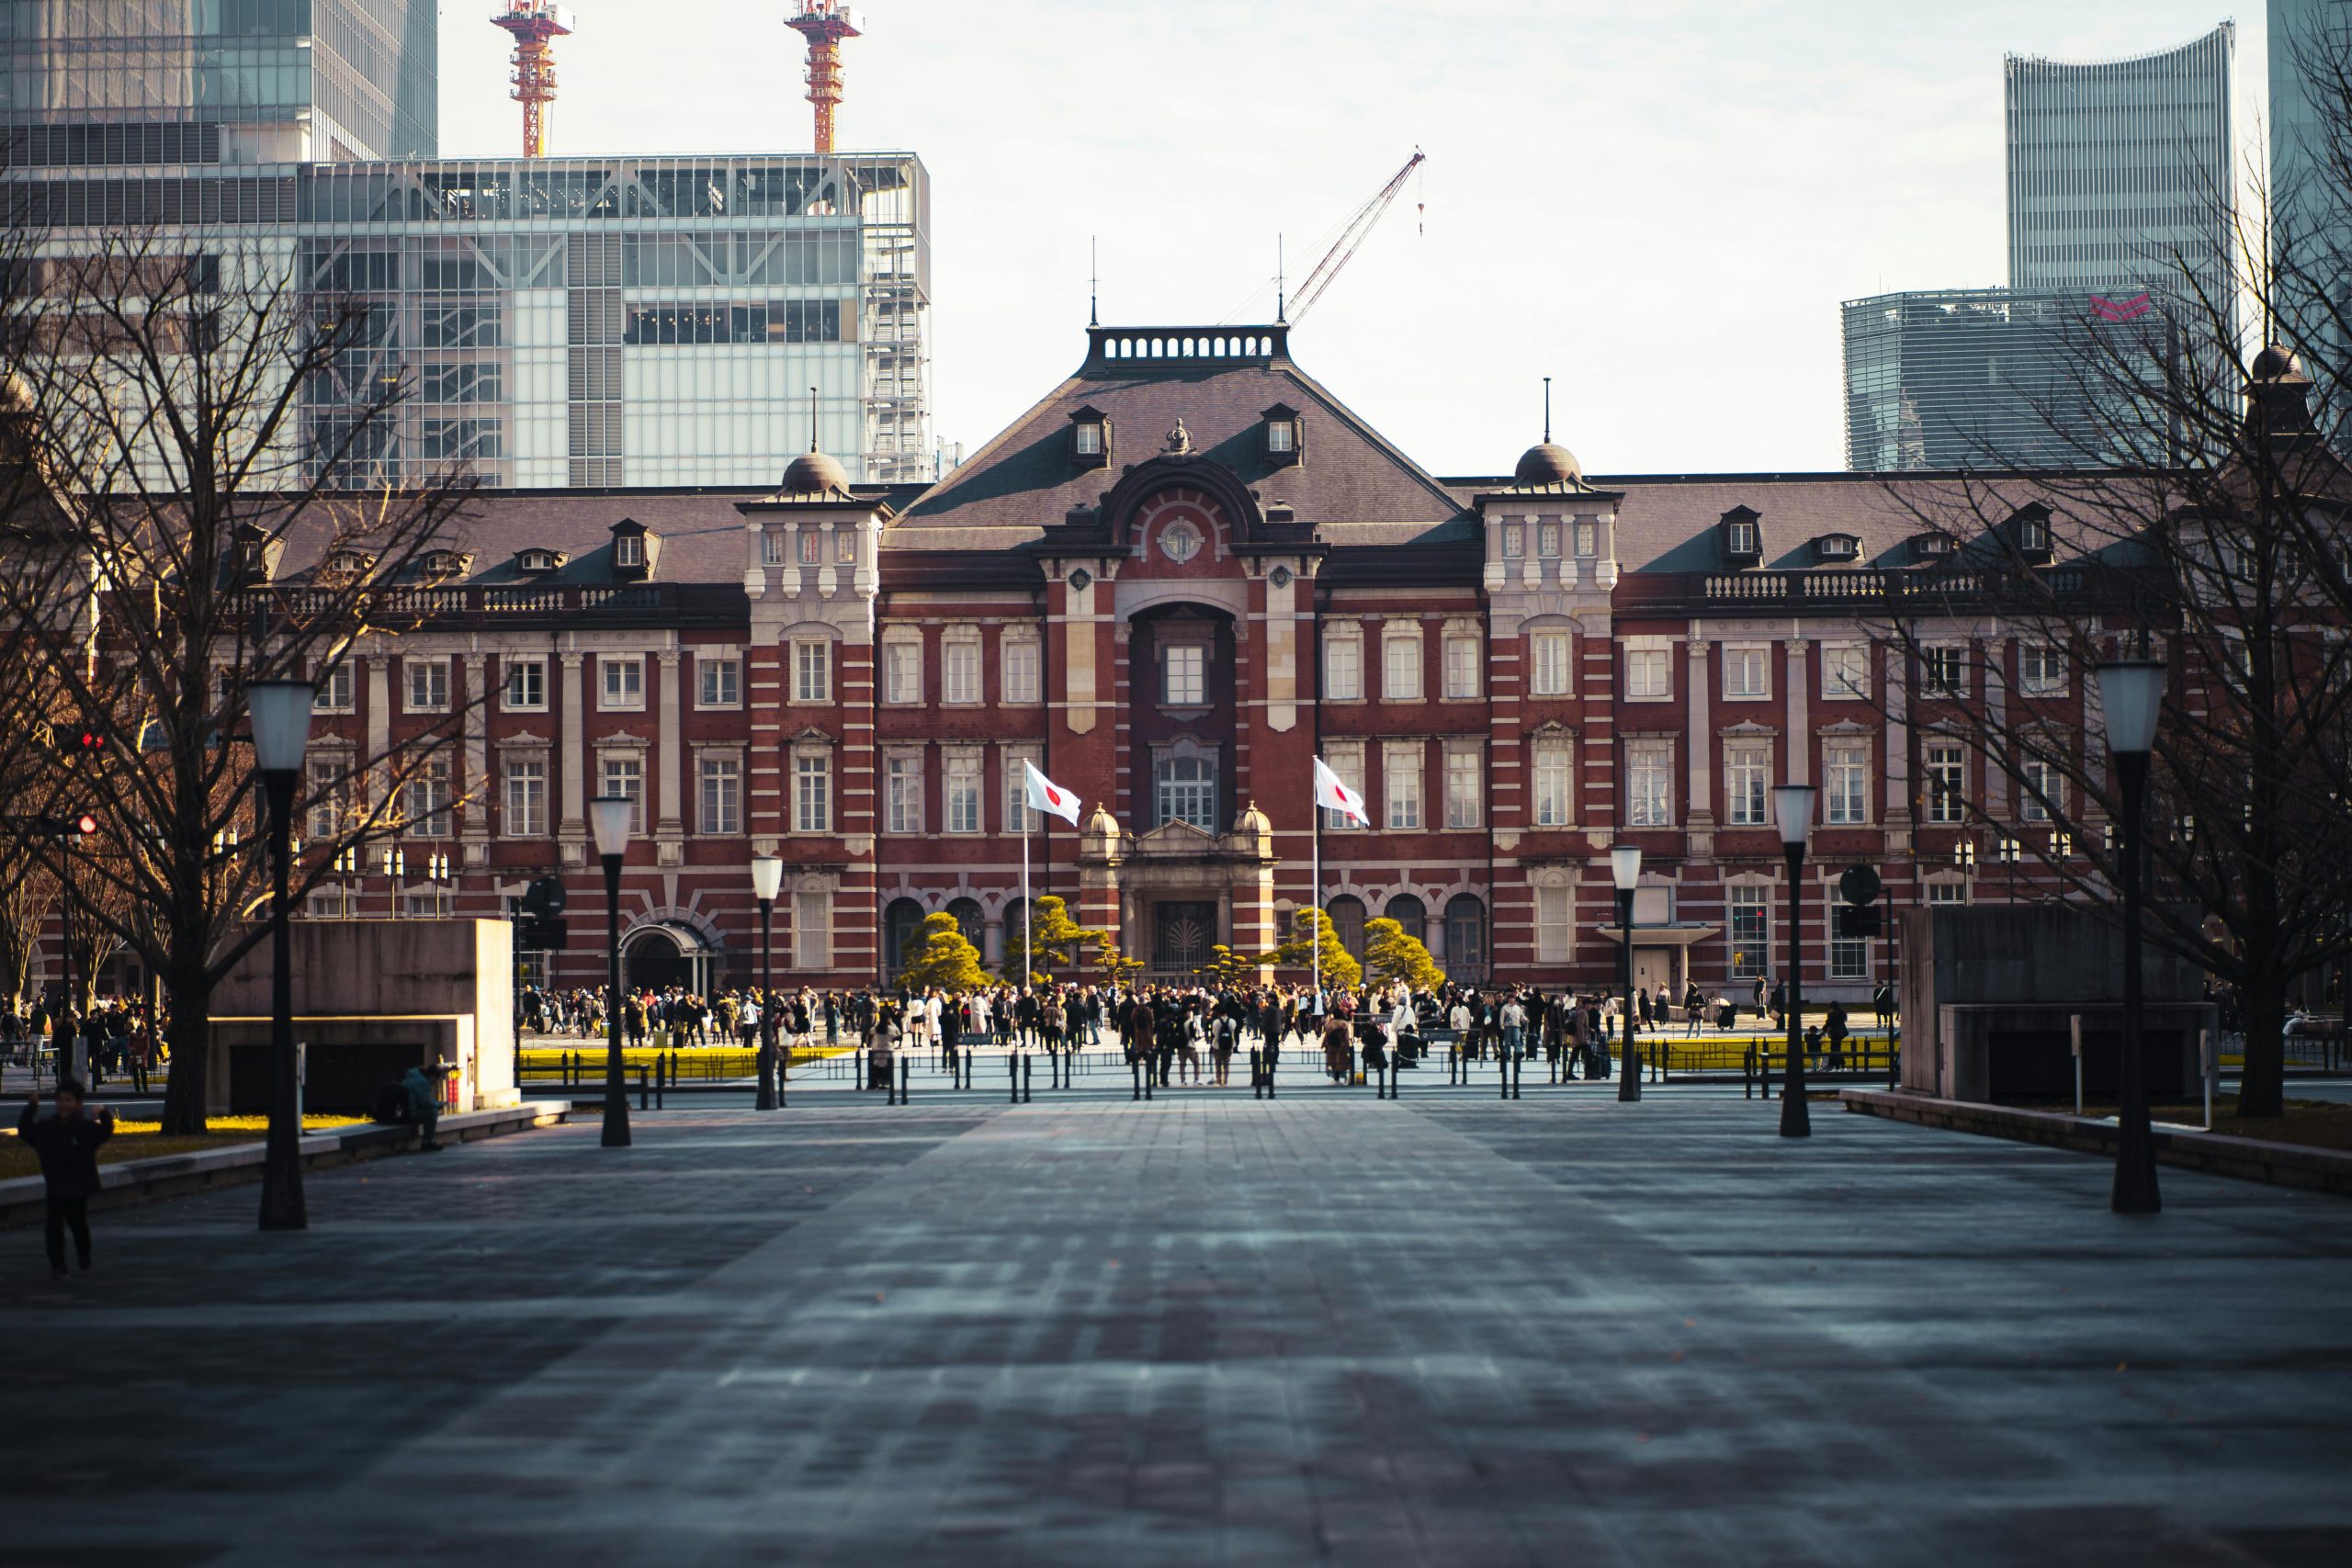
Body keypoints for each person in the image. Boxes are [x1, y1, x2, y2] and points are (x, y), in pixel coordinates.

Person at [20, 1080, 113, 1280]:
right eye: (61, 1100)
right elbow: (26, 1131)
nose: (63, 1105)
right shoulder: (48, 1128)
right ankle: (58, 1265)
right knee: (53, 1227)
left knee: (77, 1222)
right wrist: (32, 1107)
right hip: (56, 1185)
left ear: (78, 1103)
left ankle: (83, 1252)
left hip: (78, 1185)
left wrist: (103, 1114)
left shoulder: (84, 1129)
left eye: (68, 1100)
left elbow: (105, 1132)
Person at [401, 1061, 451, 1151]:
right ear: (432, 1076)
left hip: (403, 1111)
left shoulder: (414, 1077)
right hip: (409, 1113)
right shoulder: (422, 1082)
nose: (435, 1083)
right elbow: (426, 1103)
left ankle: (427, 1141)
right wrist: (440, 1104)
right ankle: (428, 1141)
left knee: (430, 1111)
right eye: (436, 1080)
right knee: (432, 1112)